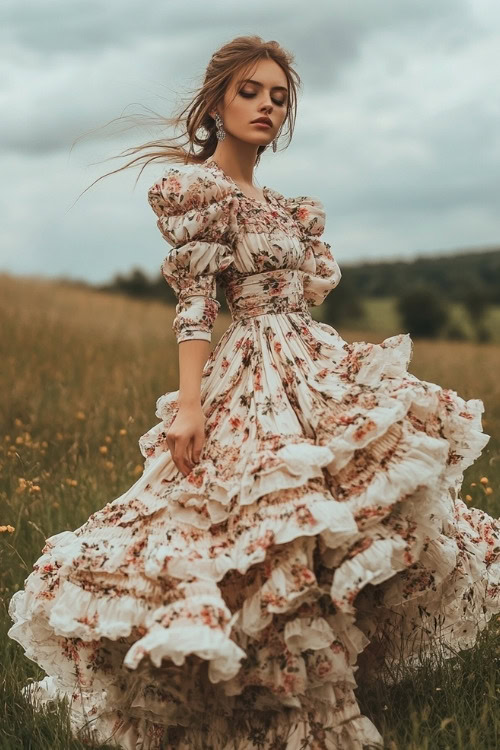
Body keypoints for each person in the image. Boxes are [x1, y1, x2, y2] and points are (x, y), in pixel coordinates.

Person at [7, 34, 500, 750]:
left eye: (279, 97)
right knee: (245, 526)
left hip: (308, 364)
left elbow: (301, 296)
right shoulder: (196, 192)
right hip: (251, 370)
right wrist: (189, 403)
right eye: (251, 91)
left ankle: (330, 670)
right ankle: (250, 695)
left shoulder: (287, 209)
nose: (267, 105)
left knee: (345, 511)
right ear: (217, 101)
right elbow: (196, 307)